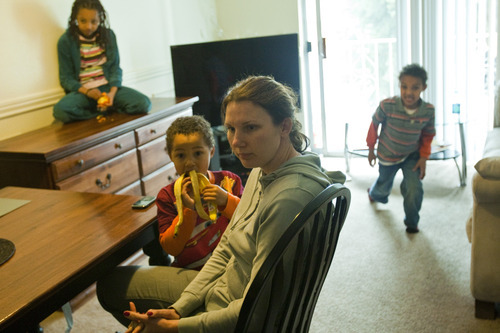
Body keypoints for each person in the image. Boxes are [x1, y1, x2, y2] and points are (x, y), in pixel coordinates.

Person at [96, 75, 346, 332]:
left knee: (110, 286)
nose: (236, 142)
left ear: (284, 126)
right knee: (113, 283)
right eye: (231, 129)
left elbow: (257, 307)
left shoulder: (288, 198)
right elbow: (226, 247)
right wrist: (178, 308)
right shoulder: (264, 170)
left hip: (231, 317)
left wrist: (176, 328)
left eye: (250, 128)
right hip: (222, 290)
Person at [149, 115, 244, 269]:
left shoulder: (229, 181)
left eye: (198, 153)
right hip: (191, 272)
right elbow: (171, 248)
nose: (189, 163)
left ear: (211, 152)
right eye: (180, 155)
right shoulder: (167, 197)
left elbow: (249, 221)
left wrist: (226, 201)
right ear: (170, 157)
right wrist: (187, 211)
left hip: (231, 265)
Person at [53, 0, 151, 123]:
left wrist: (112, 94)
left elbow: (115, 68)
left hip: (109, 88)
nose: (88, 26)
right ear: (75, 18)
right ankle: (99, 111)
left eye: (93, 21)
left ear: (101, 19)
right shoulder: (65, 41)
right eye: (83, 21)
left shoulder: (108, 36)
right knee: (61, 111)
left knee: (143, 103)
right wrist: (88, 92)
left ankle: (108, 106)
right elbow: (66, 79)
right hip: (84, 93)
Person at [366, 63, 436, 234]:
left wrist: (423, 158)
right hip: (387, 153)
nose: (409, 92)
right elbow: (374, 125)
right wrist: (371, 148)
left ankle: (412, 223)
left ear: (423, 88)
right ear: (399, 86)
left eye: (415, 88)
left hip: (411, 155)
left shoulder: (427, 111)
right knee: (383, 185)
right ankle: (375, 193)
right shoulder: (387, 105)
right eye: (404, 87)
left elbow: (428, 135)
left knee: (414, 188)